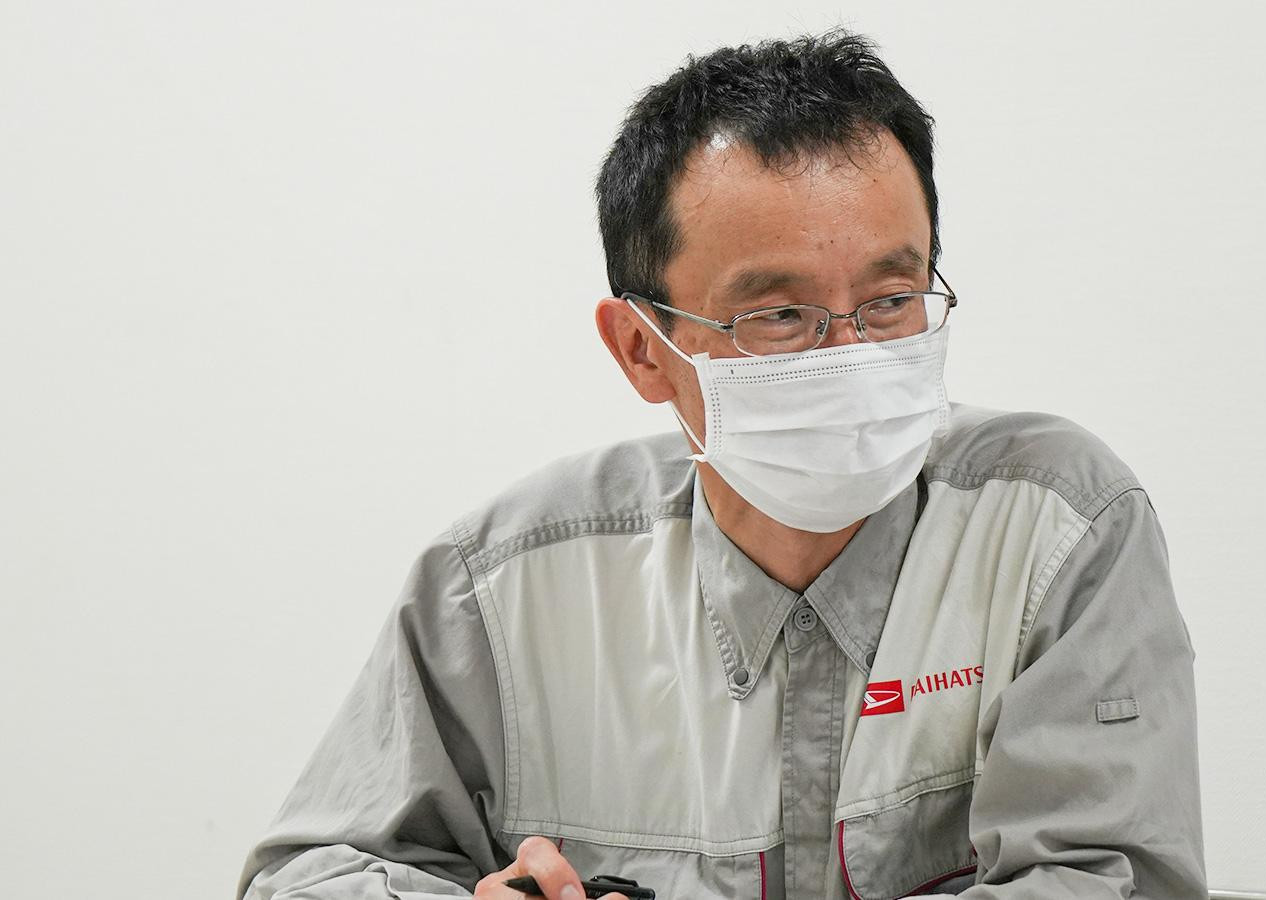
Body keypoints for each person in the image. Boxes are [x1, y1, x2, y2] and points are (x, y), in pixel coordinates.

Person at [237, 29, 1205, 900]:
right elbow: (309, 877)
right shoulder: (500, 584)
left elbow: (1111, 879)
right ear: (642, 350)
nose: (851, 356)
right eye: (778, 315)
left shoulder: (1059, 528)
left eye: (890, 299)